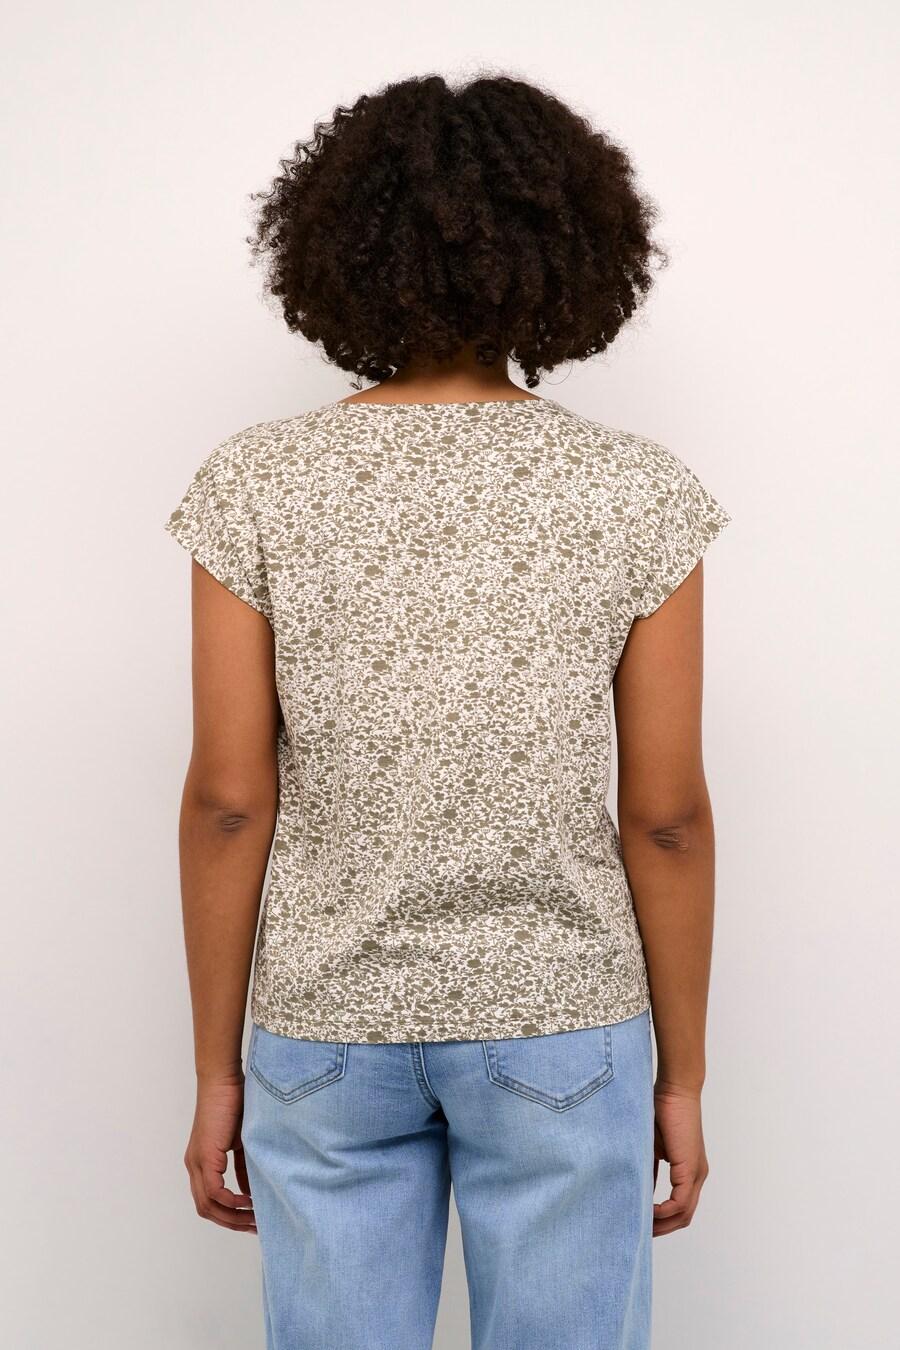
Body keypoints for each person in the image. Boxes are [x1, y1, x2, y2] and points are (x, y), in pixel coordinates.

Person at [164, 72, 731, 1350]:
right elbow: (667, 817)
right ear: (571, 253)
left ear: (338, 249)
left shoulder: (256, 483)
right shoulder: (635, 491)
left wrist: (216, 1071)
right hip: (563, 1022)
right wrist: (683, 1079)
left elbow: (228, 800)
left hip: (325, 1031)